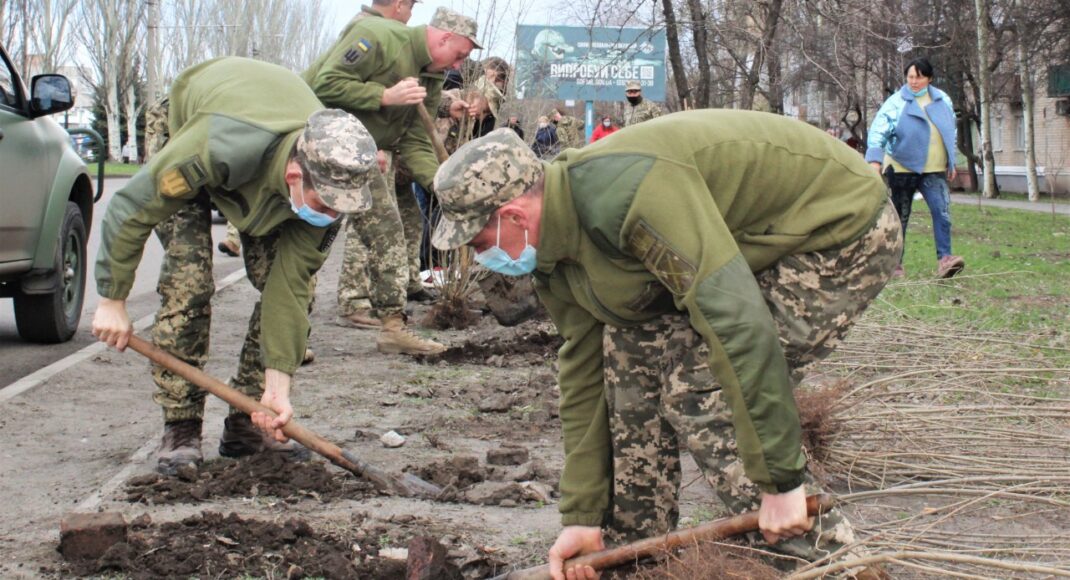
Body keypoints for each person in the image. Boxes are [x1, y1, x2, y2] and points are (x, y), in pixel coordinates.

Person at [431, 111, 901, 580]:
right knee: (627, 360)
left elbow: (736, 322)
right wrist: (582, 514)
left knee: (700, 388)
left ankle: (833, 564)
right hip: (750, 243)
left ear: (514, 215)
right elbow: (584, 366)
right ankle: (636, 559)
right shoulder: (553, 250)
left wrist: (780, 482)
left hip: (836, 228)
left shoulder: (631, 196)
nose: (479, 257)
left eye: (477, 242)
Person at [92, 57, 378, 475]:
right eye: (325, 204)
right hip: (190, 124)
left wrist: (277, 387)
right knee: (187, 282)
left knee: (289, 286)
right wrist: (112, 298)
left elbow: (289, 287)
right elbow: (132, 207)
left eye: (342, 208)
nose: (333, 216)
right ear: (295, 175)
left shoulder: (332, 187)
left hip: (263, 160)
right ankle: (181, 426)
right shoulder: (218, 144)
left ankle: (247, 418)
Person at [304, 6, 480, 354]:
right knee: (308, 240)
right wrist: (383, 96)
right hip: (312, 144)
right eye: (459, 55)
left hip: (361, 154)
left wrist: (441, 186)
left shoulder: (431, 77)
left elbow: (414, 139)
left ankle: (392, 328)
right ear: (443, 38)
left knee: (389, 234)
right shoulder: (378, 34)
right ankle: (292, 334)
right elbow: (325, 83)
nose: (458, 65)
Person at [867, 57, 964, 279]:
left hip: (933, 169)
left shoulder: (943, 100)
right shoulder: (896, 102)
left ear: (929, 78)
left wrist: (951, 159)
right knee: (901, 217)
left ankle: (945, 260)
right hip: (902, 168)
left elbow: (951, 131)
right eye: (910, 77)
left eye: (919, 77)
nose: (914, 81)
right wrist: (875, 161)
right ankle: (895, 265)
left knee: (942, 212)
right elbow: (878, 131)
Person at [469, 56, 510, 138]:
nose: (492, 82)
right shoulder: (465, 96)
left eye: (497, 80)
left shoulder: (494, 108)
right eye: (489, 78)